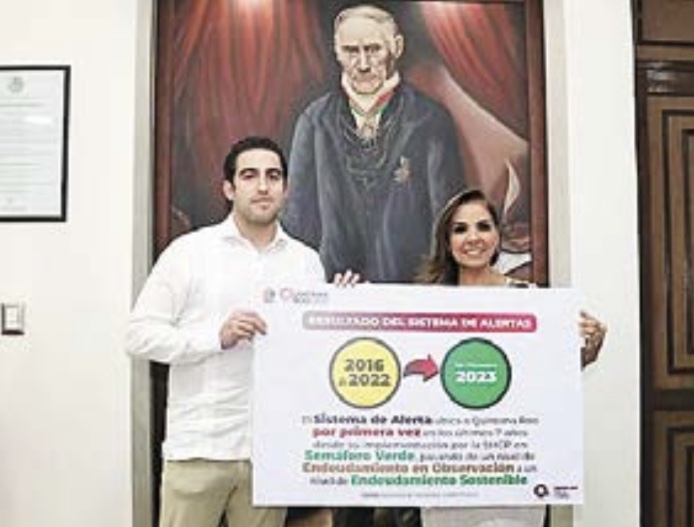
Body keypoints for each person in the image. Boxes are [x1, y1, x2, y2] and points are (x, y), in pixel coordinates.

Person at [126, 136, 352, 527]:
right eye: (249, 176)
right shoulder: (189, 252)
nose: (263, 186)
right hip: (200, 449)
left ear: (286, 188)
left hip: (270, 454)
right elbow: (139, 335)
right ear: (229, 189)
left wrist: (342, 312)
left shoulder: (306, 262)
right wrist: (216, 338)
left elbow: (310, 358)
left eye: (273, 176)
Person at [415, 189, 607, 527]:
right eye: (460, 229)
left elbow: (547, 380)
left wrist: (586, 354)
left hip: (512, 470)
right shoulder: (427, 306)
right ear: (446, 241)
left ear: (497, 236)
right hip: (449, 471)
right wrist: (346, 299)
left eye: (483, 226)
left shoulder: (530, 300)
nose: (473, 238)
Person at [282, 3, 464, 284]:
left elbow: (447, 220)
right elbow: (296, 221)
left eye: (373, 49)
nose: (363, 64)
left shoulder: (429, 120)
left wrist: (432, 290)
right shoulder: (314, 121)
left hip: (412, 294)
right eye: (351, 51)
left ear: (397, 47)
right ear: (336, 52)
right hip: (333, 294)